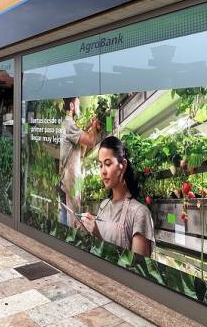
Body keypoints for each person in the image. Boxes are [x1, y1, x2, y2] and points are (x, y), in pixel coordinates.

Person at [81, 135, 154, 257]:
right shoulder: (104, 205)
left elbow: (137, 266)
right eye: (100, 165)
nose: (103, 171)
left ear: (123, 165)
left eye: (108, 164)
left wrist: (98, 235)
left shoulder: (140, 213)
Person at [59, 96, 99, 227]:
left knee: (71, 212)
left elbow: (81, 153)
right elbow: (91, 141)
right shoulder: (69, 124)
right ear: (71, 106)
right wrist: (94, 126)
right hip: (70, 176)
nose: (79, 106)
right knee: (74, 217)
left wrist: (88, 128)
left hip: (73, 175)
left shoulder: (70, 125)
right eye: (77, 103)